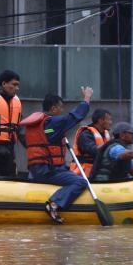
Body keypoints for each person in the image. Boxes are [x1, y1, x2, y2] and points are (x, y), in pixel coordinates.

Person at [21, 87, 94, 224]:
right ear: (54, 109)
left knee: (71, 173)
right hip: (46, 171)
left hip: (37, 170)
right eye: (61, 108)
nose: (62, 112)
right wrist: (87, 98)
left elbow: (48, 135)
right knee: (80, 182)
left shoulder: (41, 124)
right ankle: (54, 203)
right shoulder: (53, 122)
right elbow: (75, 116)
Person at [69, 108, 112, 177]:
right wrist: (110, 146)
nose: (110, 122)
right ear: (100, 121)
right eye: (109, 119)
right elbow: (93, 149)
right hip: (83, 174)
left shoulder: (105, 133)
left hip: (97, 172)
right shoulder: (86, 134)